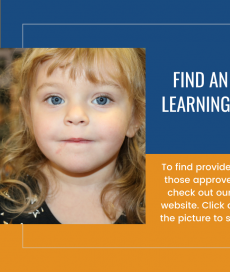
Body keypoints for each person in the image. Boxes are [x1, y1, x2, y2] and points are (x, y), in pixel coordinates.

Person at [0, 48, 146, 224]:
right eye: (55, 99)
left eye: (102, 99)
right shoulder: (6, 210)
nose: (76, 115)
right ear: (29, 115)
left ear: (135, 117)